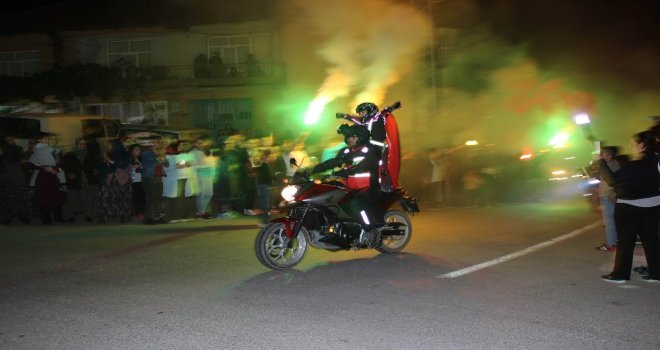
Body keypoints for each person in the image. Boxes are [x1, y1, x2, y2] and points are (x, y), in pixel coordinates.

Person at [599, 131, 660, 283]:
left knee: (626, 242)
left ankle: (620, 274)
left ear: (642, 145)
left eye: (633, 144)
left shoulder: (635, 165)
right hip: (654, 205)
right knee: (651, 241)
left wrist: (600, 162)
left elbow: (613, 180)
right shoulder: (657, 162)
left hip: (630, 207)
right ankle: (656, 273)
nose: (630, 146)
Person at [311, 123, 383, 247]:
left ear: (361, 136)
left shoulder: (372, 150)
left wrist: (345, 171)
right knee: (327, 193)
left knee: (356, 203)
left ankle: (370, 230)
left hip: (369, 187)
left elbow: (363, 166)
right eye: (348, 138)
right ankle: (333, 228)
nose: (349, 140)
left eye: (352, 137)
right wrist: (313, 170)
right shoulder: (346, 151)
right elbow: (333, 162)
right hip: (350, 187)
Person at [28, 133, 66, 224]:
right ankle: (46, 219)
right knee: (44, 197)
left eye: (48, 139)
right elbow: (31, 164)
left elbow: (62, 165)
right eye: (46, 139)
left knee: (57, 195)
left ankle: (58, 217)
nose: (48, 141)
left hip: (54, 175)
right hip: (43, 176)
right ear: (40, 140)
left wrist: (55, 170)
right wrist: (45, 168)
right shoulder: (37, 151)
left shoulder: (55, 151)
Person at [595, 146, 625, 251]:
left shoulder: (613, 165)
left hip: (608, 196)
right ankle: (614, 241)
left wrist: (612, 195)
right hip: (607, 195)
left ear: (609, 156)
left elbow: (613, 182)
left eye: (603, 154)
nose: (601, 156)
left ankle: (611, 244)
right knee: (611, 220)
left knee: (609, 221)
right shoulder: (610, 164)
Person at [98, 139, 133, 223]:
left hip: (122, 180)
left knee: (123, 198)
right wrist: (103, 161)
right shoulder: (107, 154)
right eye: (107, 145)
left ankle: (124, 216)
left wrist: (109, 160)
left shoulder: (125, 154)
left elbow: (123, 165)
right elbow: (100, 166)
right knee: (106, 197)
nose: (107, 147)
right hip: (110, 179)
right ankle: (105, 216)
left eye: (109, 145)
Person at [140, 137, 166, 224]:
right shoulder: (146, 153)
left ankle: (157, 217)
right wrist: (159, 157)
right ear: (152, 143)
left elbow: (167, 163)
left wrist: (162, 157)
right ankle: (148, 218)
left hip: (158, 177)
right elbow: (150, 162)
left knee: (158, 198)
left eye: (160, 142)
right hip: (149, 177)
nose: (160, 144)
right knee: (150, 198)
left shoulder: (160, 153)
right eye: (157, 142)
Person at [192, 136, 217, 219]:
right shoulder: (193, 152)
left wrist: (213, 175)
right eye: (197, 143)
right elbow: (193, 166)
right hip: (199, 176)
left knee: (209, 194)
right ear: (195, 144)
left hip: (208, 175)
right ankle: (201, 212)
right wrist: (203, 166)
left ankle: (203, 211)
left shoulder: (209, 151)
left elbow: (213, 164)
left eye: (201, 143)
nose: (199, 145)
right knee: (201, 194)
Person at [128, 144, 145, 222]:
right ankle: (137, 213)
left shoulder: (141, 159)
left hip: (141, 179)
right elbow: (131, 171)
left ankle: (141, 213)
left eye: (139, 150)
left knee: (141, 196)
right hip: (134, 180)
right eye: (136, 149)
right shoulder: (129, 159)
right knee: (136, 196)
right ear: (132, 151)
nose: (138, 151)